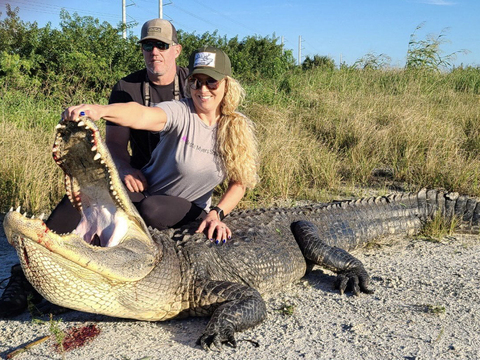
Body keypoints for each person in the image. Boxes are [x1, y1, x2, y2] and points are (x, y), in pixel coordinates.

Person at [0, 18, 189, 318]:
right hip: (137, 179)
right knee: (86, 202)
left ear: (176, 50)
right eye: (148, 45)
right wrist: (125, 169)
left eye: (162, 45)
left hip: (175, 186)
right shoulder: (127, 86)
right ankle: (23, 276)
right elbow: (115, 145)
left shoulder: (194, 85)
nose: (155, 52)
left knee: (156, 215)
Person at [63, 46, 258, 242]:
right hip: (146, 193)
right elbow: (140, 114)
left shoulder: (236, 127)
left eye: (212, 82)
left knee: (151, 210)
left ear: (227, 84)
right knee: (89, 194)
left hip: (187, 208)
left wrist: (216, 213)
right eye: (196, 82)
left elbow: (240, 182)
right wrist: (100, 110)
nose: (203, 90)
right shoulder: (181, 111)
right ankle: (44, 242)